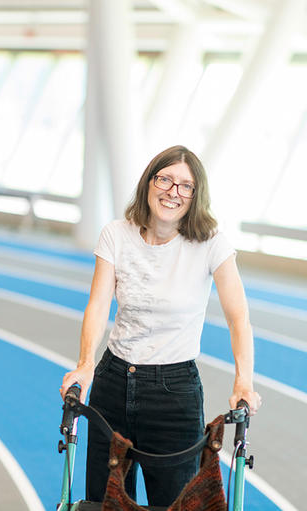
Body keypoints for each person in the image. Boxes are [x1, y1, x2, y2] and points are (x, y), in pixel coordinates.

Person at [60, 145, 261, 507]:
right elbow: (98, 303)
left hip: (174, 394)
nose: (173, 191)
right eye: (165, 179)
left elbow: (238, 318)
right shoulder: (116, 235)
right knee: (106, 504)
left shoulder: (211, 243)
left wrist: (243, 380)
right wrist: (86, 364)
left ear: (196, 195)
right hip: (113, 383)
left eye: (185, 186)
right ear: (149, 183)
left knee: (174, 505)